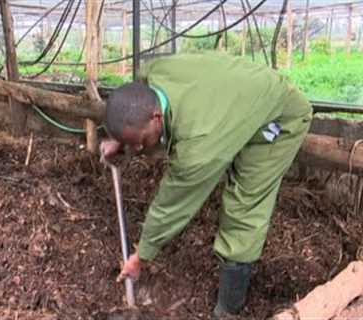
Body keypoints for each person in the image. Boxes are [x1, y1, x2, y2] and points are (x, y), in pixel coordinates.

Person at [100, 51, 312, 318]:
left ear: (155, 117)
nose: (138, 148)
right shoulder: (152, 73)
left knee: (243, 206)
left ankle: (227, 309)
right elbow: (131, 107)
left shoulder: (198, 148)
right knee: (221, 156)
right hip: (240, 98)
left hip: (277, 119)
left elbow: (172, 205)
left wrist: (141, 255)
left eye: (139, 140)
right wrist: (119, 138)